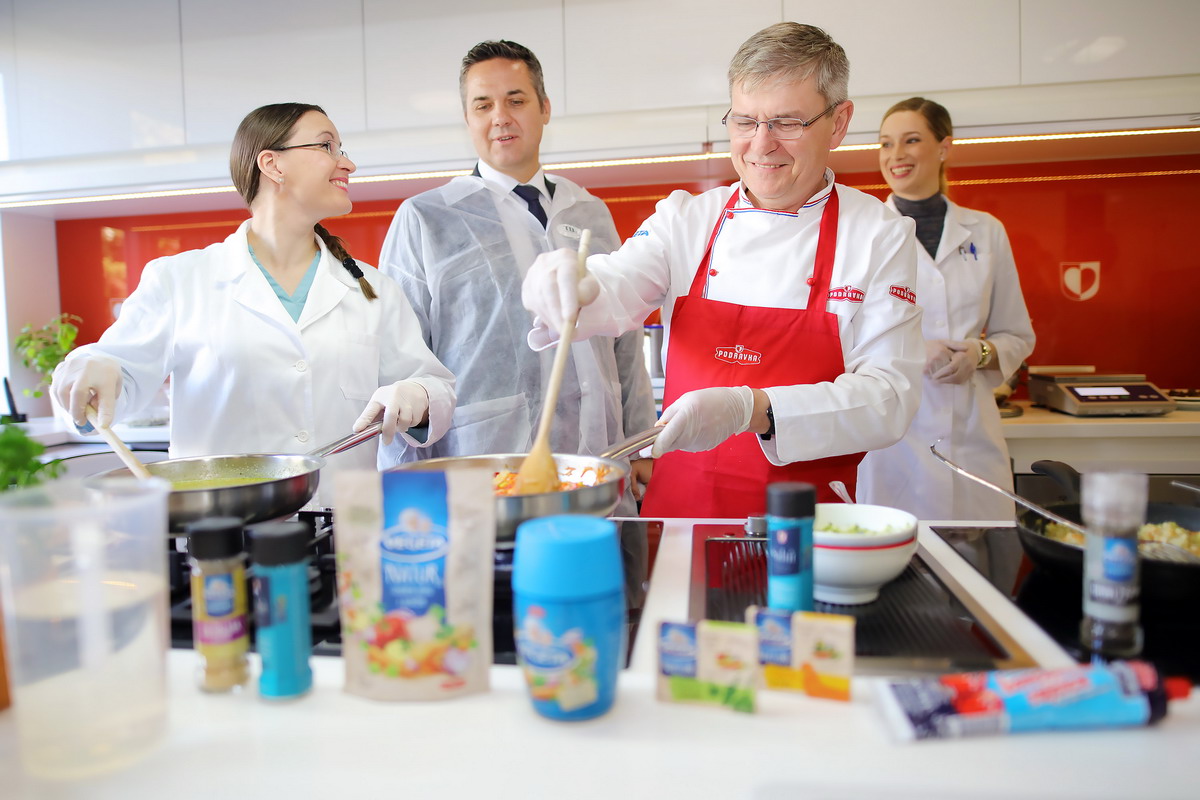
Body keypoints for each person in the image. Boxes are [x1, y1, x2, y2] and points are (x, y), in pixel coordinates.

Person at [521, 22, 924, 518]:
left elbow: (890, 398)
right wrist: (570, 283)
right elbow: (616, 284)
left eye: (787, 122)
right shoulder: (685, 219)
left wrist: (753, 410)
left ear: (838, 123)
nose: (761, 145)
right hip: (680, 518)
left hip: (809, 526)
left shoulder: (880, 236)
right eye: (745, 121)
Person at [53, 102, 456, 500]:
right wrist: (91, 368)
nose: (348, 164)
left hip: (342, 523)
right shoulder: (179, 280)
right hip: (222, 523)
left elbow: (432, 386)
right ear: (272, 164)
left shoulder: (373, 288)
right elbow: (110, 385)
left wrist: (420, 395)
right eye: (327, 146)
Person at [378, 40, 656, 510]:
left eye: (516, 100)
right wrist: (407, 491)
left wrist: (641, 443)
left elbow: (624, 341)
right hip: (484, 465)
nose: (500, 117)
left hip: (602, 463)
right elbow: (401, 362)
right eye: (483, 105)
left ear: (544, 108)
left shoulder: (589, 210)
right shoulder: (427, 218)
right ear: (467, 119)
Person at [857, 97, 1036, 520]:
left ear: (944, 147)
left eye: (911, 140)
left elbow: (1017, 334)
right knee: (895, 551)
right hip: (892, 438)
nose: (895, 155)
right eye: (885, 143)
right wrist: (914, 351)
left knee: (978, 554)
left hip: (971, 431)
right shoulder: (860, 232)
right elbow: (839, 338)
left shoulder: (986, 231)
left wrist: (980, 352)